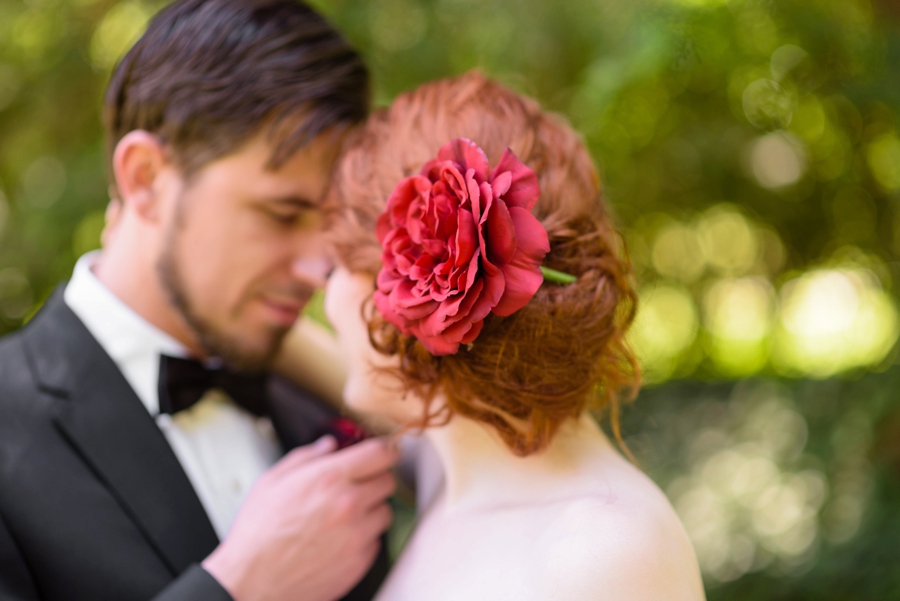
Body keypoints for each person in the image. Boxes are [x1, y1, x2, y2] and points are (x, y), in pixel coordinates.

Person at [0, 1, 398, 600]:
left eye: (332, 222)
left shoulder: (324, 417)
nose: (319, 266)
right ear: (146, 178)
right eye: (282, 213)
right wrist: (239, 588)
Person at [321, 72, 707, 600]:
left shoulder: (601, 553)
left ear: (405, 286)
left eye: (335, 263)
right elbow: (323, 363)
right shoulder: (456, 468)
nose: (323, 288)